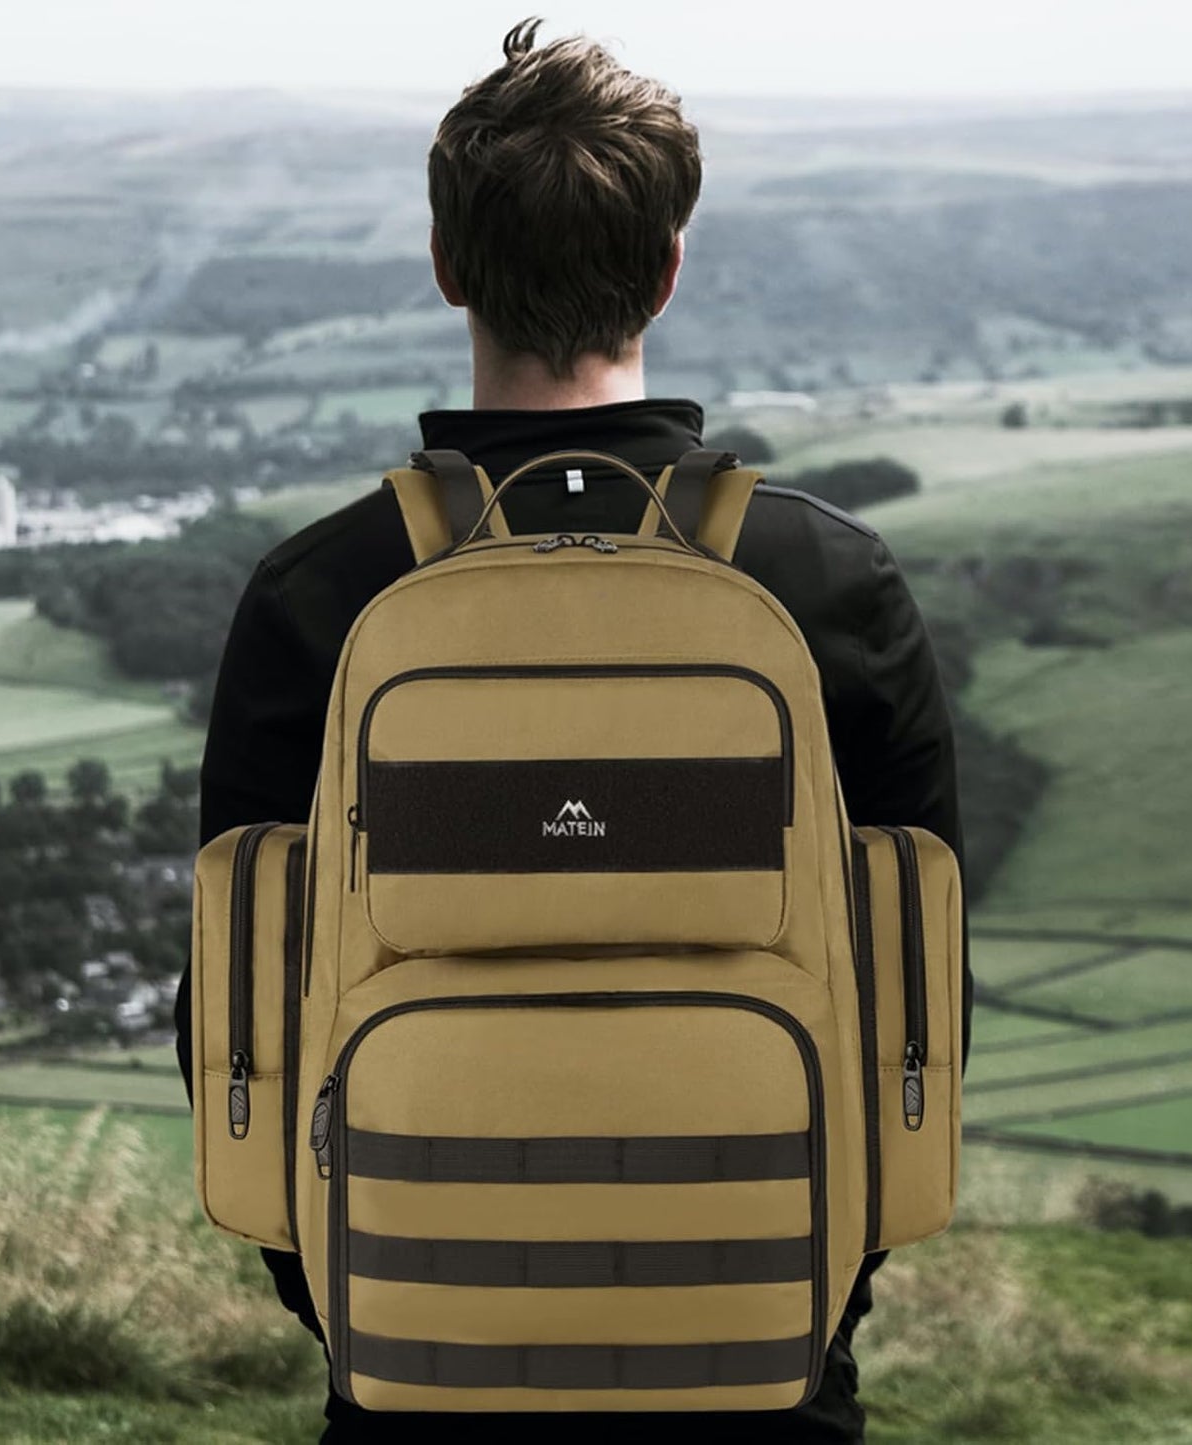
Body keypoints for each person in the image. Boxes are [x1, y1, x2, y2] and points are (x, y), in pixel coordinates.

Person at [174, 16, 967, 1443]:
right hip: (765, 1353)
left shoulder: (323, 593)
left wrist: (363, 1305)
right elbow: (920, 993)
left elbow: (236, 1010)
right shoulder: (825, 581)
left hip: (412, 1351)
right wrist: (807, 1287)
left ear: (446, 265)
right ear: (668, 268)